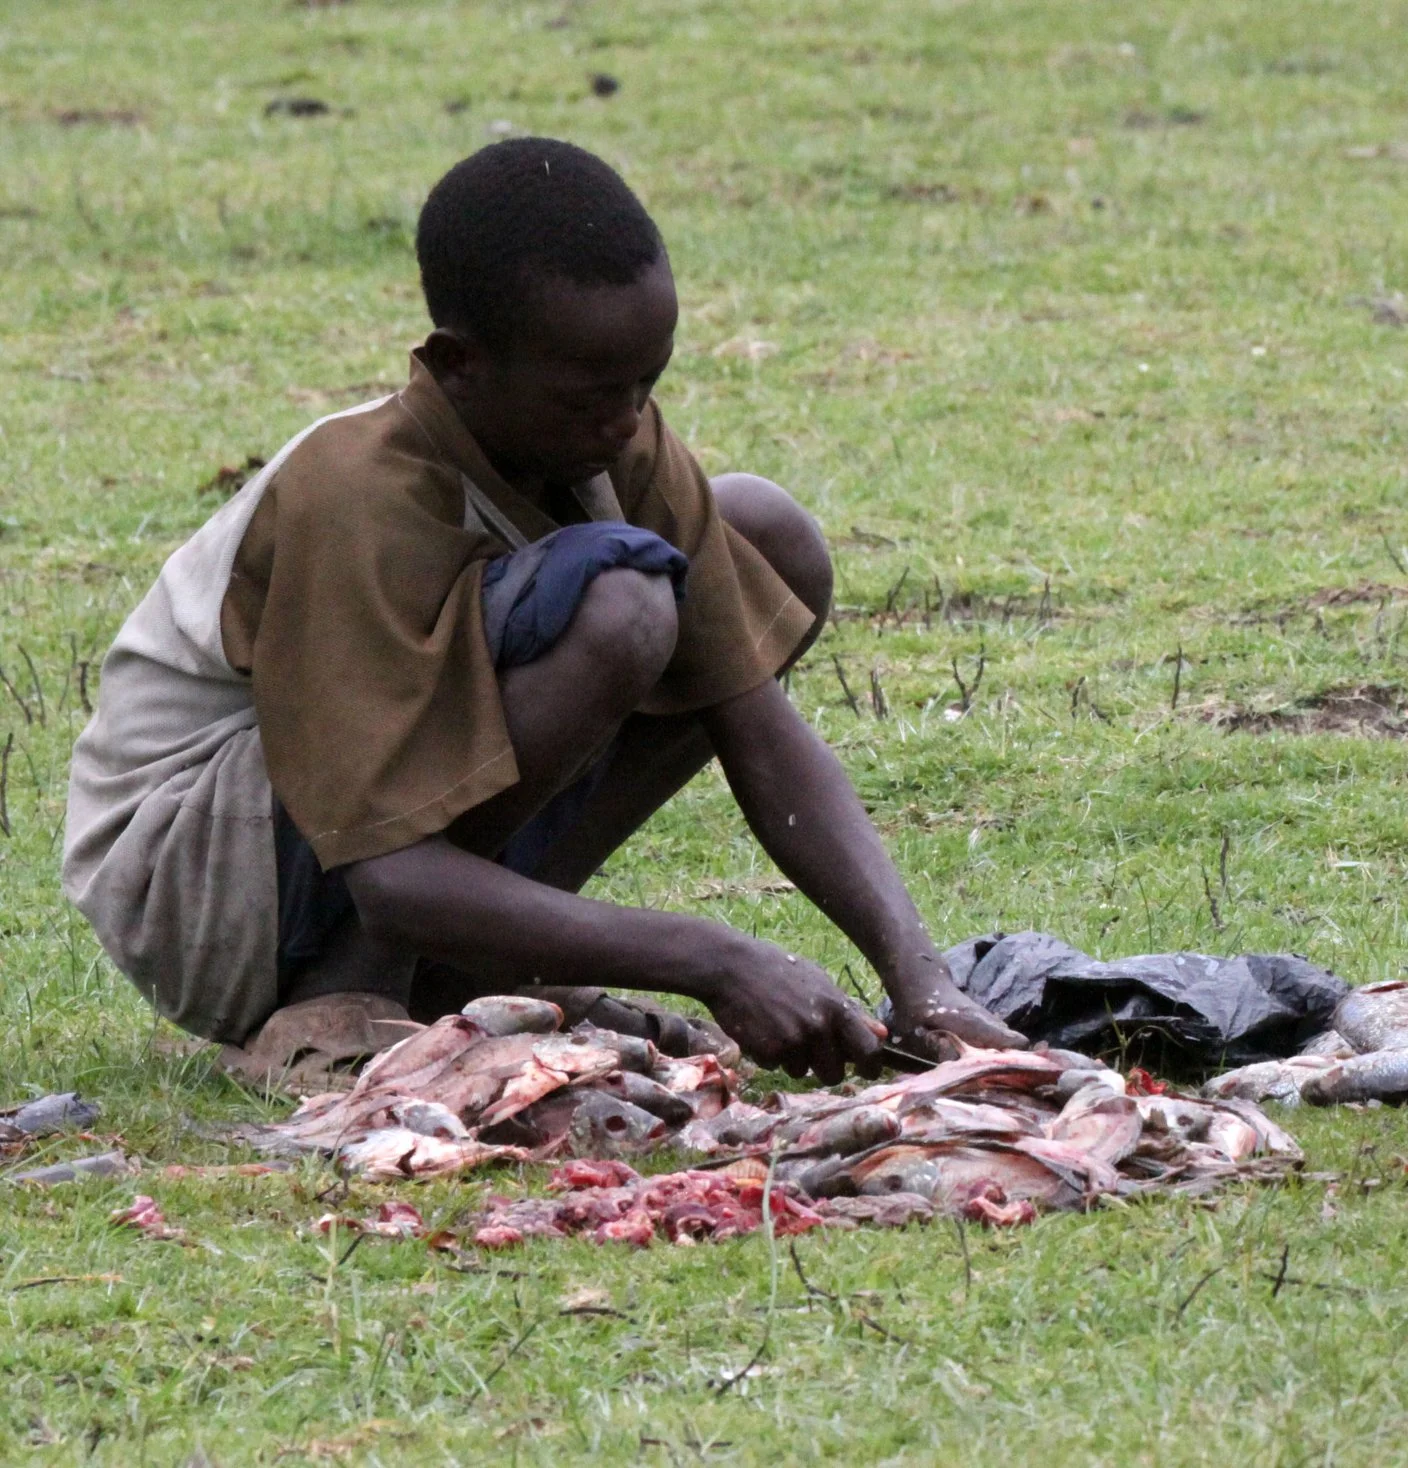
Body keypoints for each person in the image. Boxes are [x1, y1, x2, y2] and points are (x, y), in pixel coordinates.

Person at [63, 137, 1022, 1091]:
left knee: (767, 542)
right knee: (623, 607)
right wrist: (714, 957)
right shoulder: (354, 492)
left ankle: (464, 966)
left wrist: (921, 981)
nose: (627, 421)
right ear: (459, 364)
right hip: (198, 870)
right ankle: (350, 989)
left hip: (355, 843)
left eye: (649, 383)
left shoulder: (614, 439)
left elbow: (756, 722)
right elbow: (391, 877)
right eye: (592, 394)